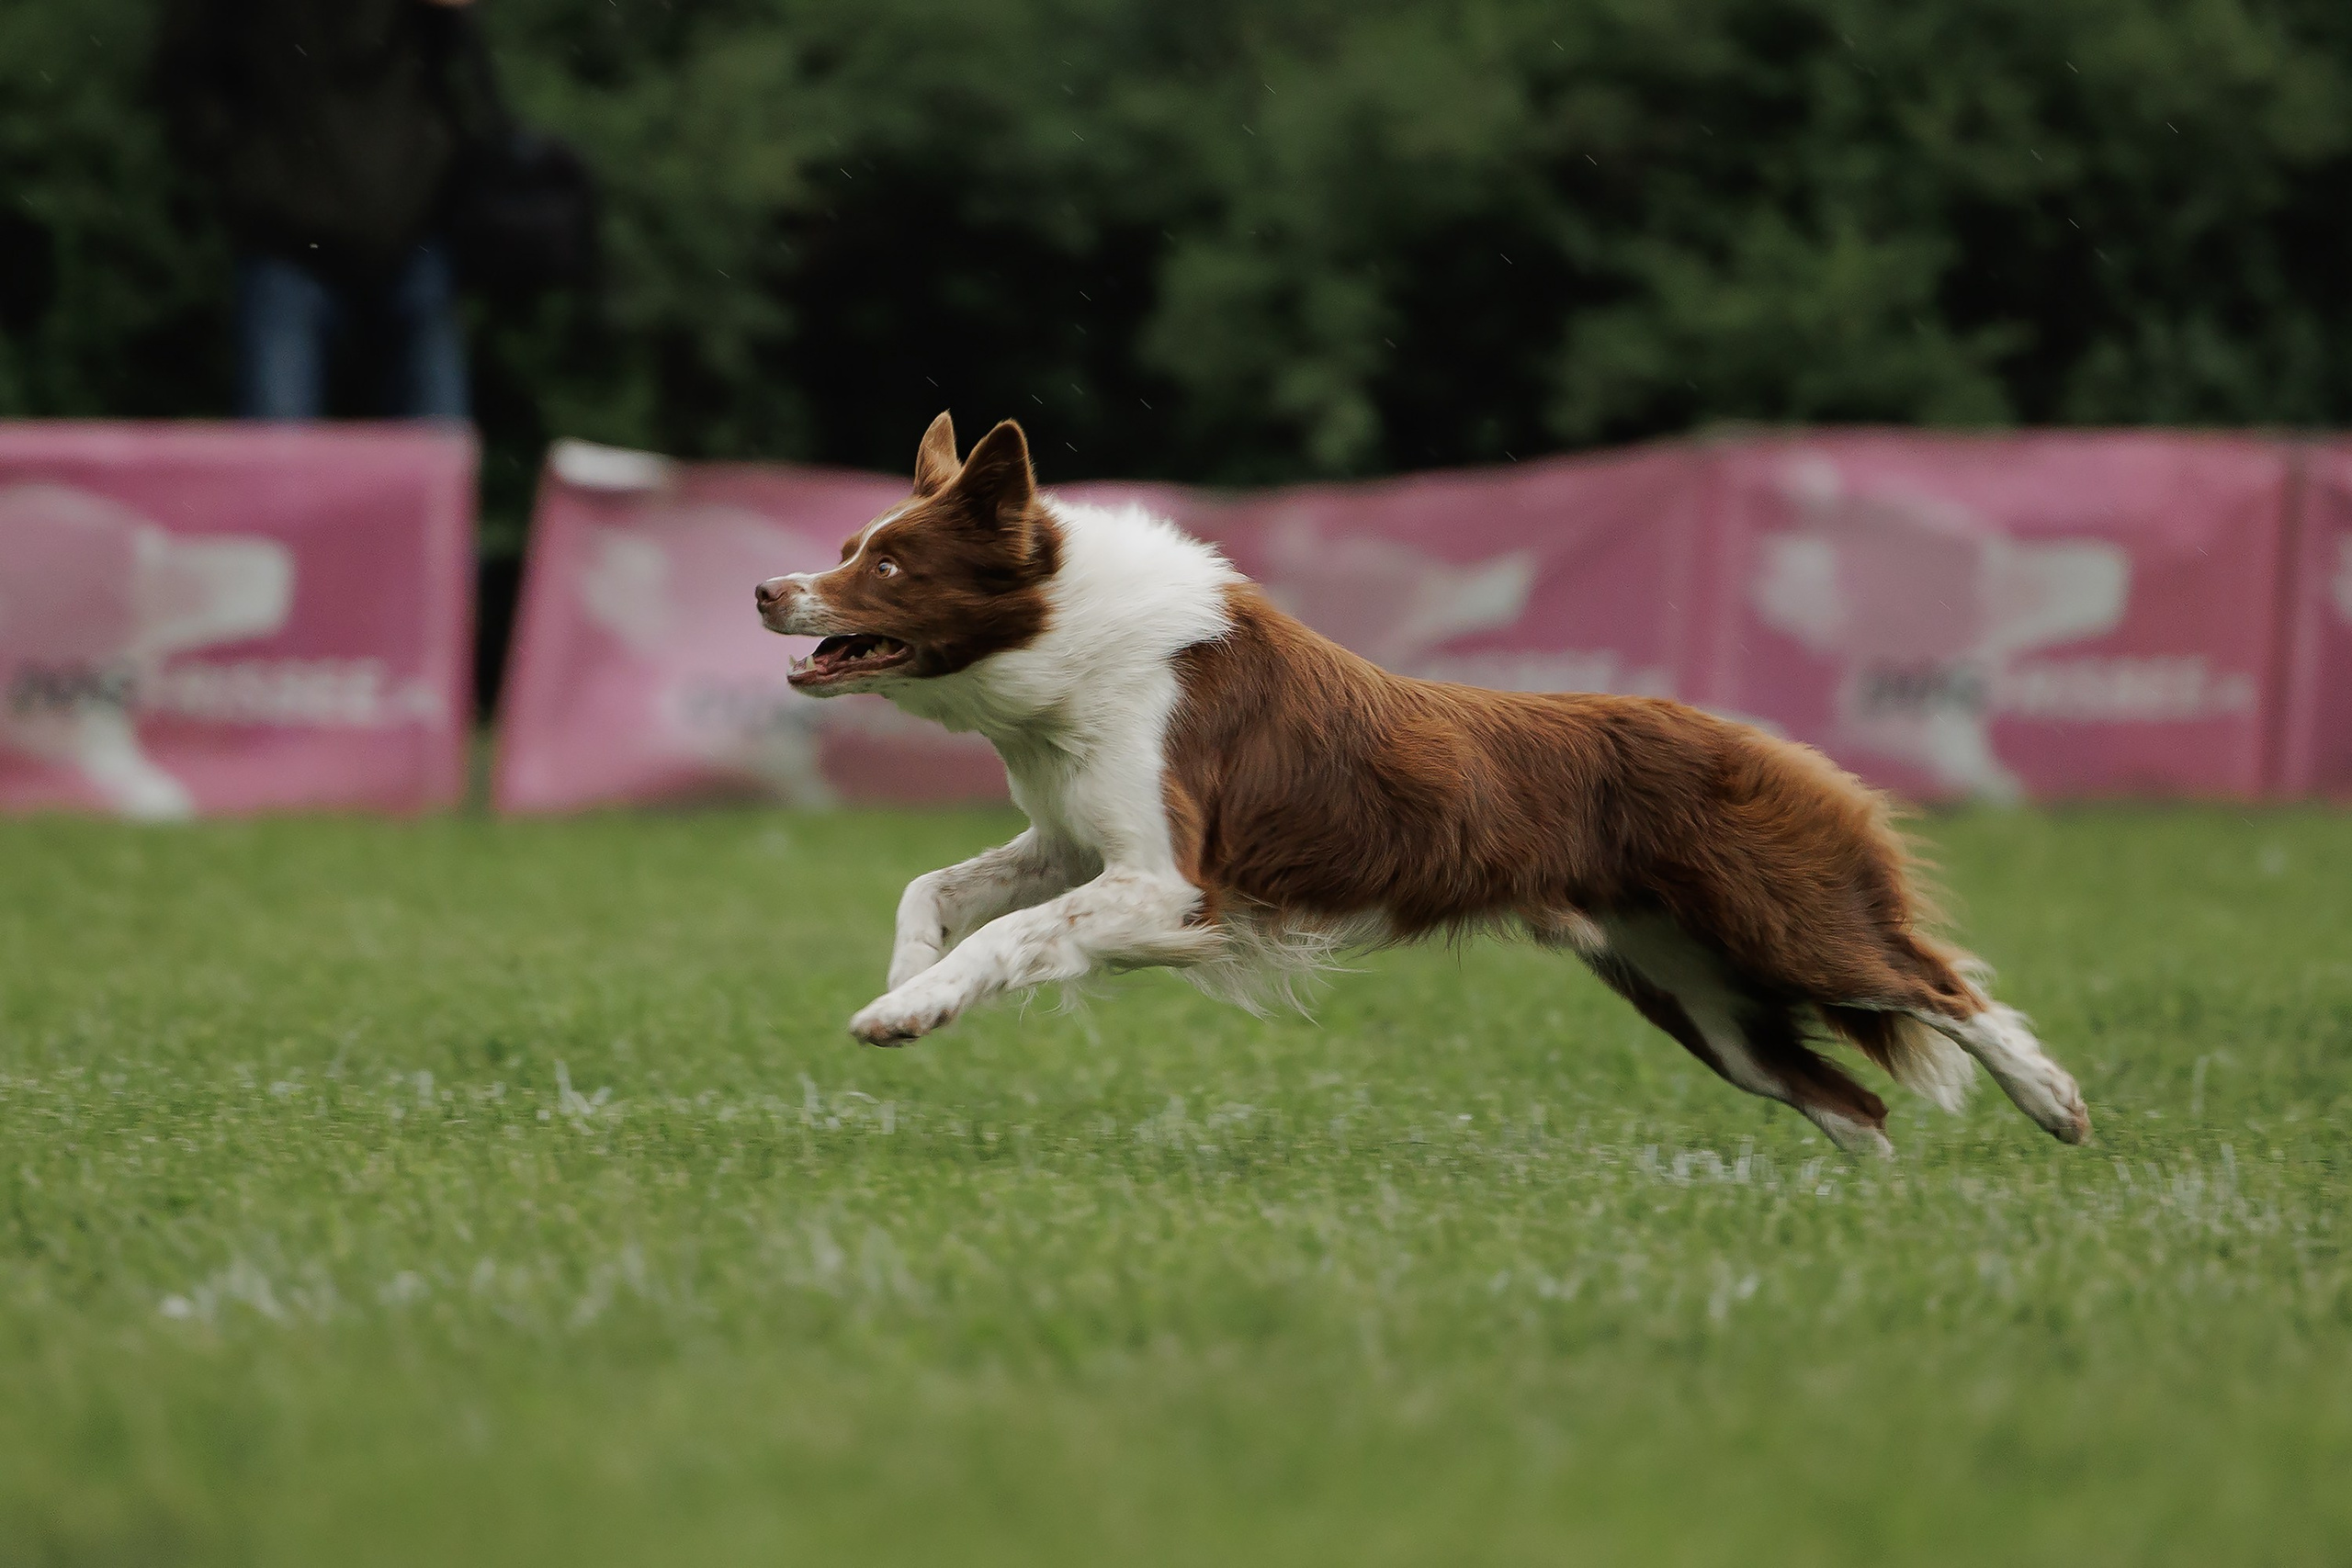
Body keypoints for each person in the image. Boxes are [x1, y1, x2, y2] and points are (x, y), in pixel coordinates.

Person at [156, 0, 481, 422]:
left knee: (439, 461)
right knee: (278, 467)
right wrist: (240, 166)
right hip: (284, 239)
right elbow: (184, 64)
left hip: (412, 230)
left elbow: (459, 27)